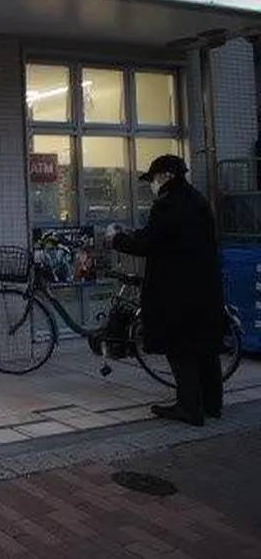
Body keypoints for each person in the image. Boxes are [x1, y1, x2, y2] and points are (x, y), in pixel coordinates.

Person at [107, 155, 224, 425]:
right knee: (205, 349)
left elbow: (148, 243)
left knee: (180, 348)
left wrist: (117, 240)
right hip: (205, 287)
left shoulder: (168, 205)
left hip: (177, 291)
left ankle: (189, 407)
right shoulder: (197, 200)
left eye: (155, 178)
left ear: (167, 176)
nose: (153, 184)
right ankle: (212, 404)